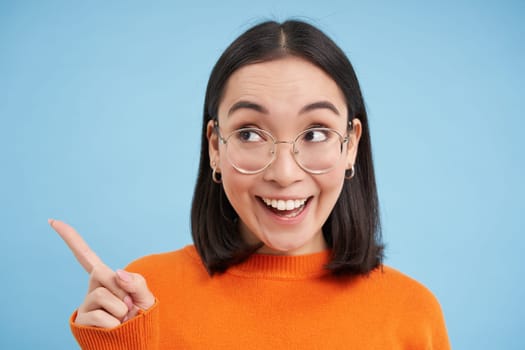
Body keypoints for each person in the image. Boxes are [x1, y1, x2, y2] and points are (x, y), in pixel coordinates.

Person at [50, 19, 450, 349]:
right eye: (250, 134)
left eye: (315, 133)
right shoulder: (141, 302)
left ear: (351, 146)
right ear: (215, 148)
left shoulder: (412, 314)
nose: (284, 173)